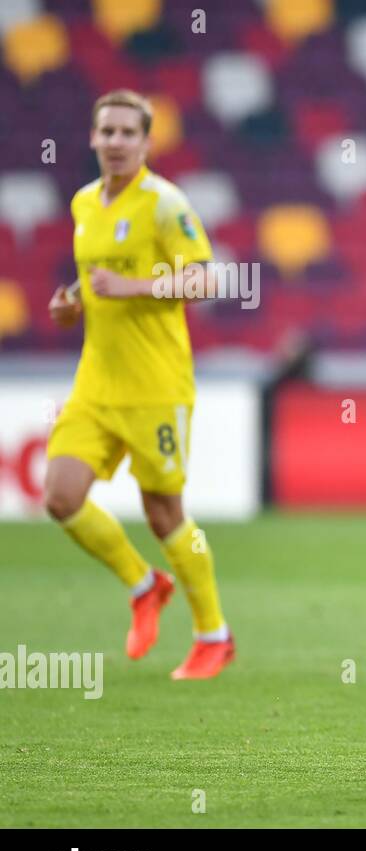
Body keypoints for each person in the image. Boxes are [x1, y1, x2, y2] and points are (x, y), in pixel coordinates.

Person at [44, 89, 233, 680]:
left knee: (163, 514)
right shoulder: (82, 204)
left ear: (147, 143)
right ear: (94, 138)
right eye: (108, 131)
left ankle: (213, 634)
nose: (117, 142)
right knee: (60, 496)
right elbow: (92, 282)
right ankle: (143, 582)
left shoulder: (164, 204)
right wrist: (71, 304)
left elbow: (209, 280)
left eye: (129, 133)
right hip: (96, 383)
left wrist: (133, 288)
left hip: (157, 385)